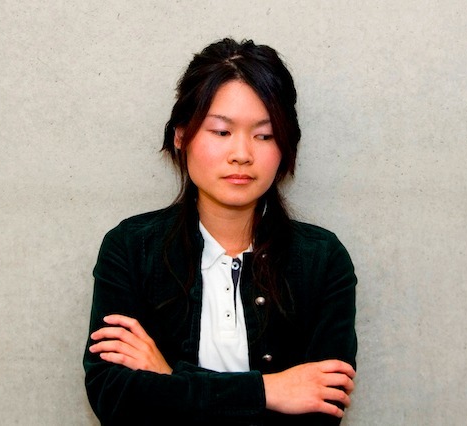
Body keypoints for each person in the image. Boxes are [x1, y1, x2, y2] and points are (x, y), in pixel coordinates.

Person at [83, 38, 358, 425]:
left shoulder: (321, 259)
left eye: (264, 135)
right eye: (221, 131)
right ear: (181, 136)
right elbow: (117, 401)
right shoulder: (130, 248)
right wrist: (270, 391)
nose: (242, 153)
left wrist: (168, 378)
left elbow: (318, 414)